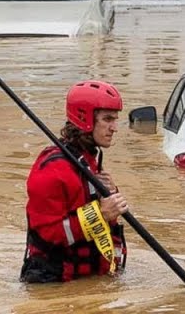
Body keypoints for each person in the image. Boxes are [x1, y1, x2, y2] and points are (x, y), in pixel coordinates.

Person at [20, 80, 129, 283]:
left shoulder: (88, 161)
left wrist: (111, 194)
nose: (115, 128)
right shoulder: (52, 171)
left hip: (88, 280)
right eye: (107, 119)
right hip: (52, 284)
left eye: (115, 119)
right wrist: (101, 214)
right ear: (85, 118)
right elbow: (48, 234)